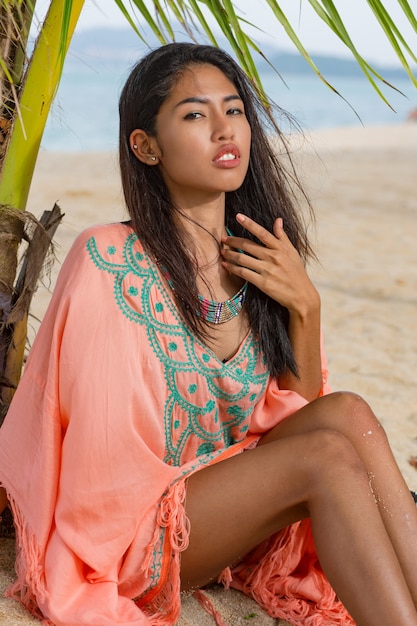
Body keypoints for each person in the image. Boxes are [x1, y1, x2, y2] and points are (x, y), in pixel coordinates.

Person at [0, 42, 416, 626]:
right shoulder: (108, 260)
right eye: (195, 115)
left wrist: (306, 306)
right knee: (324, 455)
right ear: (144, 146)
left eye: (235, 111)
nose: (226, 131)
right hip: (134, 535)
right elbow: (102, 463)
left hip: (229, 517)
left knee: (348, 414)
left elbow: (292, 419)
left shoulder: (262, 260)